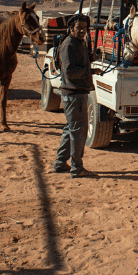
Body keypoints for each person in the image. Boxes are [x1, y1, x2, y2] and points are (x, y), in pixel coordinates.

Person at [53, 14, 103, 178]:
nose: (82, 31)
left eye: (84, 28)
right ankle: (77, 168)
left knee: (70, 129)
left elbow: (77, 63)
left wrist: (90, 58)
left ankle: (60, 163)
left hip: (76, 93)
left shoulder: (78, 43)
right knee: (78, 132)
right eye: (78, 28)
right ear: (71, 28)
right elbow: (70, 71)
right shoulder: (68, 45)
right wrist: (91, 71)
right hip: (74, 95)